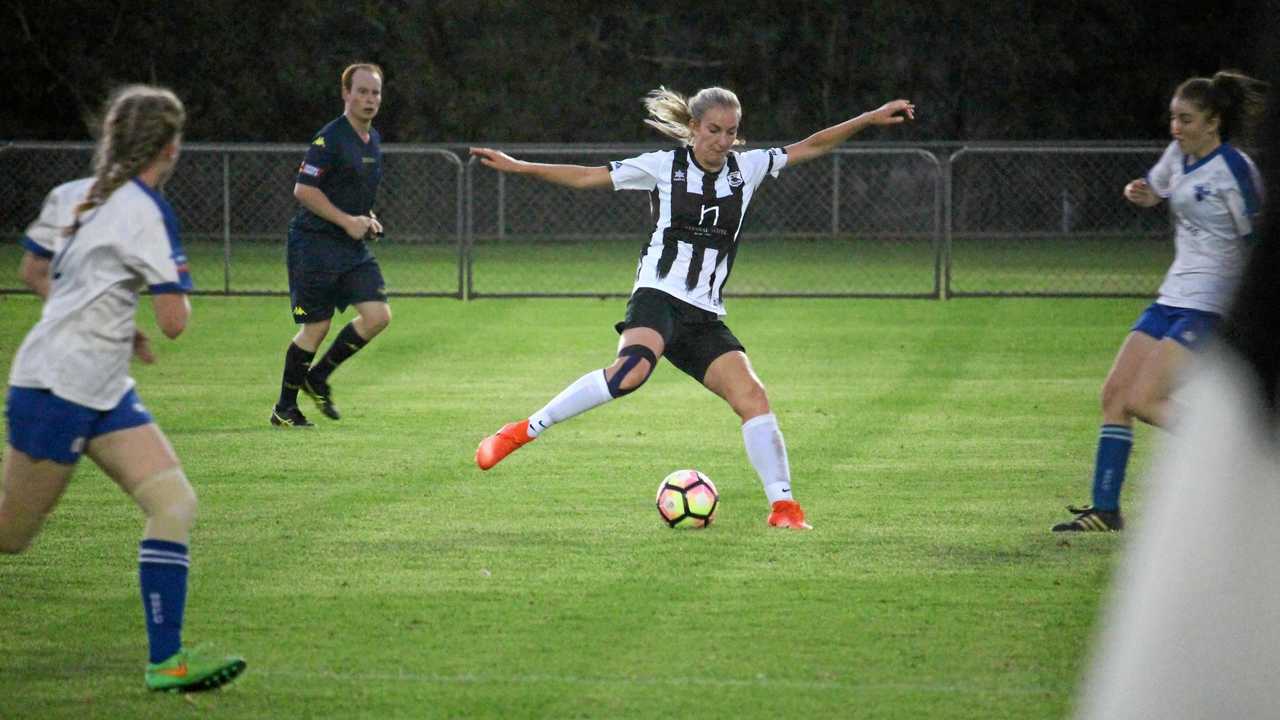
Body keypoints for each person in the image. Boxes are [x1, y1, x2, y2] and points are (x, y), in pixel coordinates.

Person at [470, 87, 915, 529]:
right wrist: (519, 166)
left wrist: (869, 116)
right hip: (657, 296)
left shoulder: (749, 168)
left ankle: (784, 509)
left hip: (703, 315)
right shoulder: (663, 167)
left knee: (753, 399)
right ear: (693, 128)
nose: (722, 140)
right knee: (630, 373)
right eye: (713, 130)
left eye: (731, 131)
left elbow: (814, 144)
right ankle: (523, 430)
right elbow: (587, 177)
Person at [1, 84, 246, 692]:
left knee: (174, 504)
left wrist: (99, 321)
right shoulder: (146, 211)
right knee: (10, 536)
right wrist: (164, 302)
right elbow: (175, 322)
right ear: (168, 148)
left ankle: (167, 661)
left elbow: (32, 269)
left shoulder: (69, 195)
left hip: (102, 386)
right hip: (58, 387)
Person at [1053, 71, 1268, 532]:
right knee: (1115, 395)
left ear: (1213, 122)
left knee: (1147, 400)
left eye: (1185, 120)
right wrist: (1141, 193)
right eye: (1172, 117)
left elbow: (1259, 239)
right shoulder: (1179, 155)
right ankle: (1106, 511)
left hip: (1211, 304)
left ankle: (1248, 462)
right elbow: (1157, 189)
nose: (1175, 128)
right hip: (1172, 296)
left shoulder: (1235, 170)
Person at [271, 62, 391, 428]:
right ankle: (284, 408)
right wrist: (347, 221)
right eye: (362, 91)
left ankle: (318, 377)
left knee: (377, 316)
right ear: (346, 94)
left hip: (350, 247)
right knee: (316, 328)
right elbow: (304, 190)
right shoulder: (330, 138)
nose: (369, 99)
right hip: (315, 245)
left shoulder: (373, 140)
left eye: (375, 92)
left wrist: (367, 218)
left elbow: (352, 194)